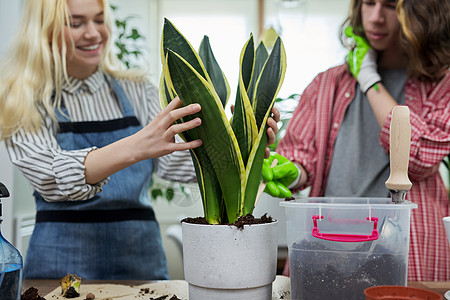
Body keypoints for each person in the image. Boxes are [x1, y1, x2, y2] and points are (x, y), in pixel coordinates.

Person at [0, 0, 279, 280]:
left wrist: (240, 145)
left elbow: (180, 162)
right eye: (76, 23)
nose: (94, 33)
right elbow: (48, 176)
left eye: (99, 19)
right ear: (44, 31)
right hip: (58, 265)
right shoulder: (21, 98)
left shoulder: (137, 90)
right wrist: (134, 147)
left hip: (140, 260)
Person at [263, 0, 450, 281]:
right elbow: (301, 155)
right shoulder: (326, 84)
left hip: (408, 250)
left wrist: (369, 80)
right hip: (328, 246)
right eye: (369, 3)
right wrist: (291, 172)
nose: (375, 18)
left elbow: (416, 157)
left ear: (419, 13)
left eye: (389, 6)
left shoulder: (440, 85)